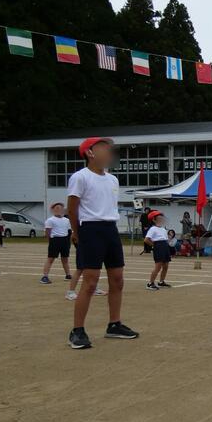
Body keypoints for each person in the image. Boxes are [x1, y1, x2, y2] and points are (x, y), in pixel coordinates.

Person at [67, 137, 138, 349]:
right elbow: (72, 208)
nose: (109, 152)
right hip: (90, 228)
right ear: (90, 152)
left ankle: (114, 324)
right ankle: (77, 330)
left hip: (110, 229)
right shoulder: (80, 177)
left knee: (117, 279)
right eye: (104, 148)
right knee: (90, 281)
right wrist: (76, 232)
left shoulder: (113, 179)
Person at [40, 202, 72, 284]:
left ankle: (68, 275)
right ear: (53, 210)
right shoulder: (50, 220)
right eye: (56, 208)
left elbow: (69, 231)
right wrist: (50, 241)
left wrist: (69, 241)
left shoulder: (67, 220)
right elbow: (47, 232)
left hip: (65, 240)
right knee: (50, 259)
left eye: (60, 208)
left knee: (65, 259)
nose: (59, 209)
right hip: (55, 240)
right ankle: (45, 276)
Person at [143, 210, 172, 290]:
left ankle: (161, 282)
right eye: (159, 218)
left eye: (161, 218)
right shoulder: (153, 229)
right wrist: (154, 246)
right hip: (159, 247)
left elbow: (165, 239)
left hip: (165, 247)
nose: (161, 219)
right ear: (154, 220)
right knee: (158, 267)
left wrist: (168, 241)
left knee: (165, 266)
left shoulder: (163, 229)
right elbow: (146, 240)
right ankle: (150, 283)